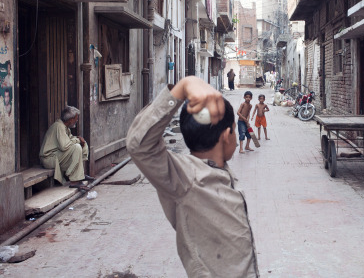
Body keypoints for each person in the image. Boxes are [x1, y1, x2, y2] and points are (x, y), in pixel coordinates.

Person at [126, 76, 259, 277]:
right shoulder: (186, 177)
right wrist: (183, 87)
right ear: (227, 134)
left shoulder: (218, 171)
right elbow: (139, 146)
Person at [39, 106, 94, 191]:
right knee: (76, 148)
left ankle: (79, 175)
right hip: (48, 159)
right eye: (76, 118)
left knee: (81, 145)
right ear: (71, 119)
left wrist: (80, 141)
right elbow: (64, 146)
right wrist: (77, 140)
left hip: (56, 155)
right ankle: (74, 180)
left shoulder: (65, 128)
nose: (77, 120)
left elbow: (70, 139)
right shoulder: (59, 126)